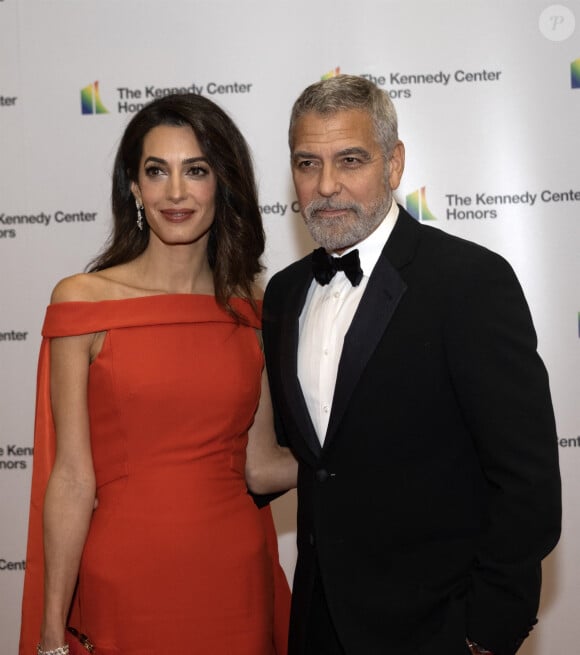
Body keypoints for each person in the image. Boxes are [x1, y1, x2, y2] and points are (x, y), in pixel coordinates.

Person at [262, 74, 561, 655]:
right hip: (320, 622)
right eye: (307, 163)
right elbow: (312, 461)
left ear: (394, 165)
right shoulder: (283, 294)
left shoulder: (470, 282)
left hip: (438, 628)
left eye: (350, 160)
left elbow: (526, 480)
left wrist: (486, 629)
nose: (326, 185)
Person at [19, 92, 297, 655]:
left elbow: (262, 466)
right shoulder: (83, 302)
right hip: (125, 580)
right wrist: (51, 633)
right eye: (156, 171)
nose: (175, 192)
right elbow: (72, 477)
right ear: (133, 187)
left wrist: (361, 453)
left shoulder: (253, 307)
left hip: (235, 582)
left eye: (195, 170)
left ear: (222, 182)